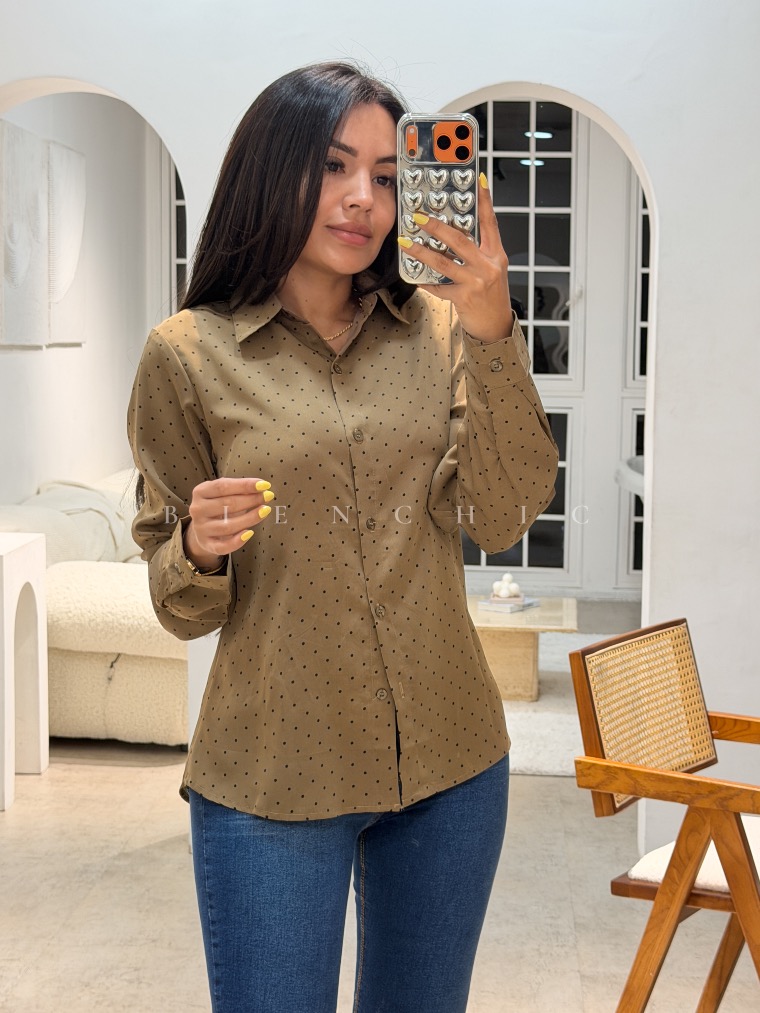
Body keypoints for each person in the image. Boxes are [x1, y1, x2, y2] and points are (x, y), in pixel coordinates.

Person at [128, 61, 558, 1013]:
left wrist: (494, 331)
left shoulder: (441, 330)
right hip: (273, 774)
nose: (365, 197)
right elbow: (176, 603)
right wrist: (197, 549)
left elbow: (501, 514)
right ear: (268, 170)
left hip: (451, 761)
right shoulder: (186, 356)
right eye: (332, 166)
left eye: (387, 175)